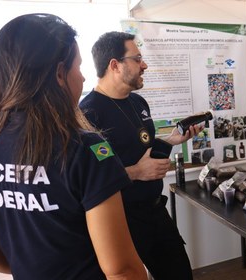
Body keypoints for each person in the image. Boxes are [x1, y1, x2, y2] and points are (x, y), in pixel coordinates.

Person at [0, 14, 147, 280]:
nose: (83, 78)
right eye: (78, 67)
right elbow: (122, 271)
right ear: (60, 74)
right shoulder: (86, 150)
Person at [80, 31, 201, 280]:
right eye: (137, 59)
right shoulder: (89, 113)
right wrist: (136, 172)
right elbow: (91, 179)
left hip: (155, 211)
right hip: (121, 220)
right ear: (115, 65)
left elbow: (141, 148)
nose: (144, 64)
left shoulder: (138, 103)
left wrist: (171, 140)